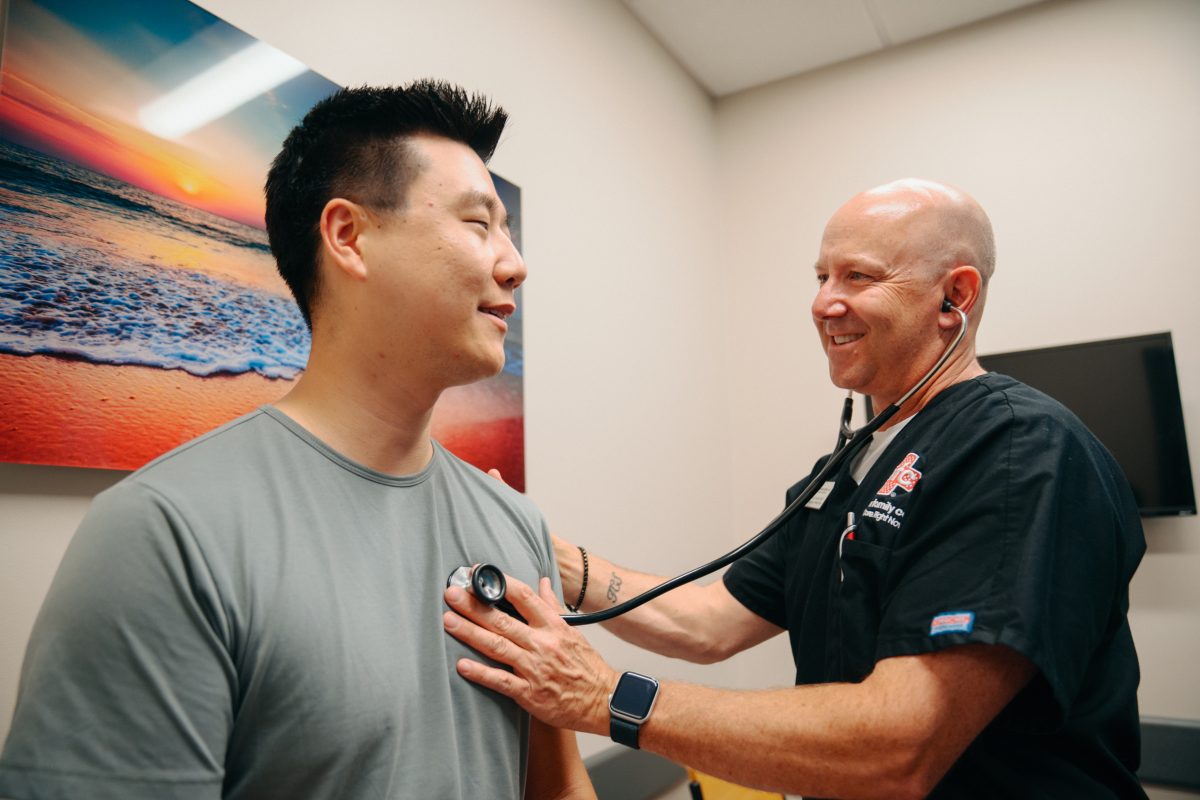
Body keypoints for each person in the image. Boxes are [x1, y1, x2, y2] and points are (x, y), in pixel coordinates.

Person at [442, 179, 1148, 798]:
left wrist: (605, 698)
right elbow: (708, 622)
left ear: (954, 296)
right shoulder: (845, 474)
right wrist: (546, 547)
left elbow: (899, 748)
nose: (824, 304)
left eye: (859, 277)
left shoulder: (1018, 452)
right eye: (820, 277)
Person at [0, 81, 594, 800]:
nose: (515, 263)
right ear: (349, 237)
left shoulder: (518, 526)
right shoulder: (165, 534)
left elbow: (558, 789)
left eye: (508, 229)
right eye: (479, 223)